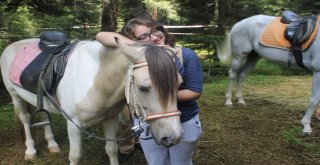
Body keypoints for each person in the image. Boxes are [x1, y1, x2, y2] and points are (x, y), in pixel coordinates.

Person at [96, 14, 203, 165]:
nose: (154, 37)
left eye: (155, 30)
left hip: (184, 119)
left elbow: (194, 91)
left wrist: (158, 94)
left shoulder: (185, 55)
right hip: (147, 121)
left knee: (181, 162)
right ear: (135, 40)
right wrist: (138, 48)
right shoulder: (137, 61)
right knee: (156, 161)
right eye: (144, 36)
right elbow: (101, 35)